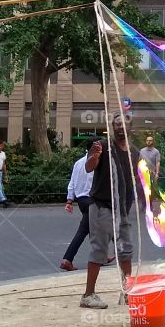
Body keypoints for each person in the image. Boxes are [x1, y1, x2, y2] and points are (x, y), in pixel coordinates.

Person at [81, 117, 134, 310]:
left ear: (130, 127)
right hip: (102, 207)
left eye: (124, 124)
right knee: (99, 250)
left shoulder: (133, 153)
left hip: (122, 212)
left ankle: (127, 292)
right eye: (117, 124)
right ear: (112, 127)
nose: (121, 127)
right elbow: (88, 167)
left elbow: (133, 181)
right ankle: (88, 295)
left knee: (125, 252)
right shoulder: (103, 146)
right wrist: (94, 156)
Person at [60, 142, 97, 272]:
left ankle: (101, 256)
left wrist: (69, 200)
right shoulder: (96, 162)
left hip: (81, 200)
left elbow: (72, 182)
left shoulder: (78, 163)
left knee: (97, 228)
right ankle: (67, 259)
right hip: (92, 200)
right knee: (85, 230)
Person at [138, 133, 161, 210]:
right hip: (142, 173)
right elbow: (139, 161)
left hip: (151, 174)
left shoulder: (156, 152)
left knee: (150, 190)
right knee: (141, 190)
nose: (149, 142)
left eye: (150, 140)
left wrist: (157, 173)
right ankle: (144, 204)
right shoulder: (142, 150)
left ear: (153, 141)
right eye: (147, 140)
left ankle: (150, 205)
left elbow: (157, 162)